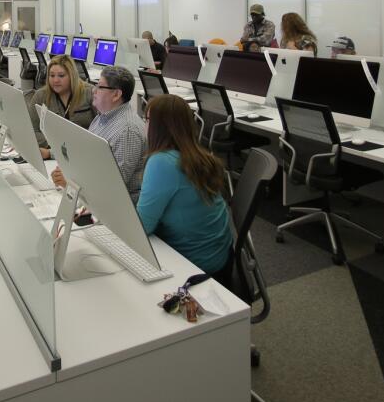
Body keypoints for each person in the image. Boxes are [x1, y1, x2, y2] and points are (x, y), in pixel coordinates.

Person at [137, 94, 234, 277]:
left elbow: (142, 227)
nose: (145, 125)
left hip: (196, 266)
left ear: (160, 127)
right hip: (220, 256)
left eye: (147, 119)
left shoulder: (161, 162)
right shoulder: (197, 154)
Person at [52, 66, 147, 200]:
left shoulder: (127, 131)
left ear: (116, 95)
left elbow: (114, 185)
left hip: (115, 207)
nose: (93, 90)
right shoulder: (102, 117)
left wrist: (70, 182)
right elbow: (90, 158)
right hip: (92, 196)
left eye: (100, 87)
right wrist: (69, 172)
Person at [31, 55, 95, 152]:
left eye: (61, 76)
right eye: (52, 76)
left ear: (72, 75)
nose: (55, 80)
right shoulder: (41, 96)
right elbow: (32, 129)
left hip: (85, 151)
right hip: (51, 151)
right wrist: (58, 147)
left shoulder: (90, 93)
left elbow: (102, 129)